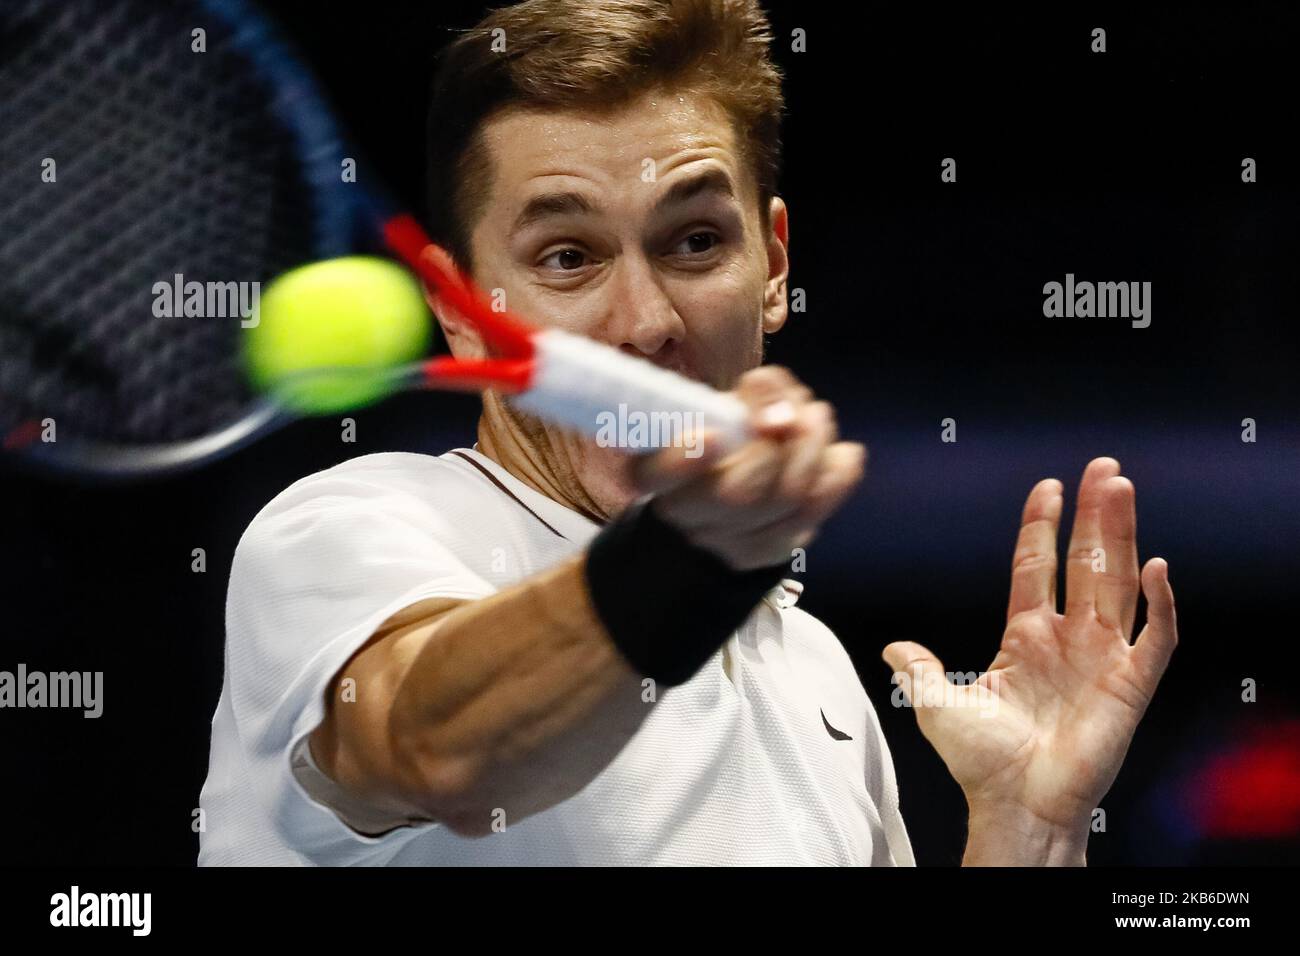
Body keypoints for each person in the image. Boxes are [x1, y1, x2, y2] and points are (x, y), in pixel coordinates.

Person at [198, 0, 1178, 866]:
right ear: (460, 310)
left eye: (696, 240)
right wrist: (694, 553)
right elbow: (439, 751)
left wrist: (1026, 827)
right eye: (568, 254)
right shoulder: (341, 532)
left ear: (774, 264)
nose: (646, 320)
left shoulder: (812, 672)